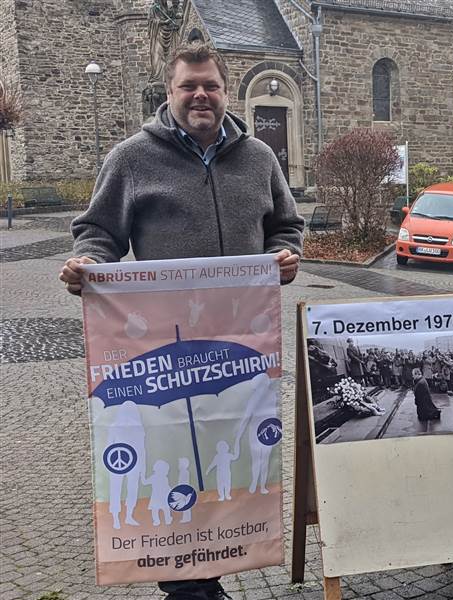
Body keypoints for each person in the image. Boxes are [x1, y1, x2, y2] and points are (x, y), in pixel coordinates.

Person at [59, 42, 304, 600]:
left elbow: (286, 228)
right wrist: (89, 266)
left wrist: (287, 257)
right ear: (169, 94)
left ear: (225, 92)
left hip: (240, 353)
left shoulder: (260, 159)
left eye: (210, 86)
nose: (200, 95)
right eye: (188, 86)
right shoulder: (130, 158)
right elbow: (97, 234)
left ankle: (216, 562)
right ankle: (187, 584)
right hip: (166, 358)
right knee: (173, 460)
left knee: (234, 458)